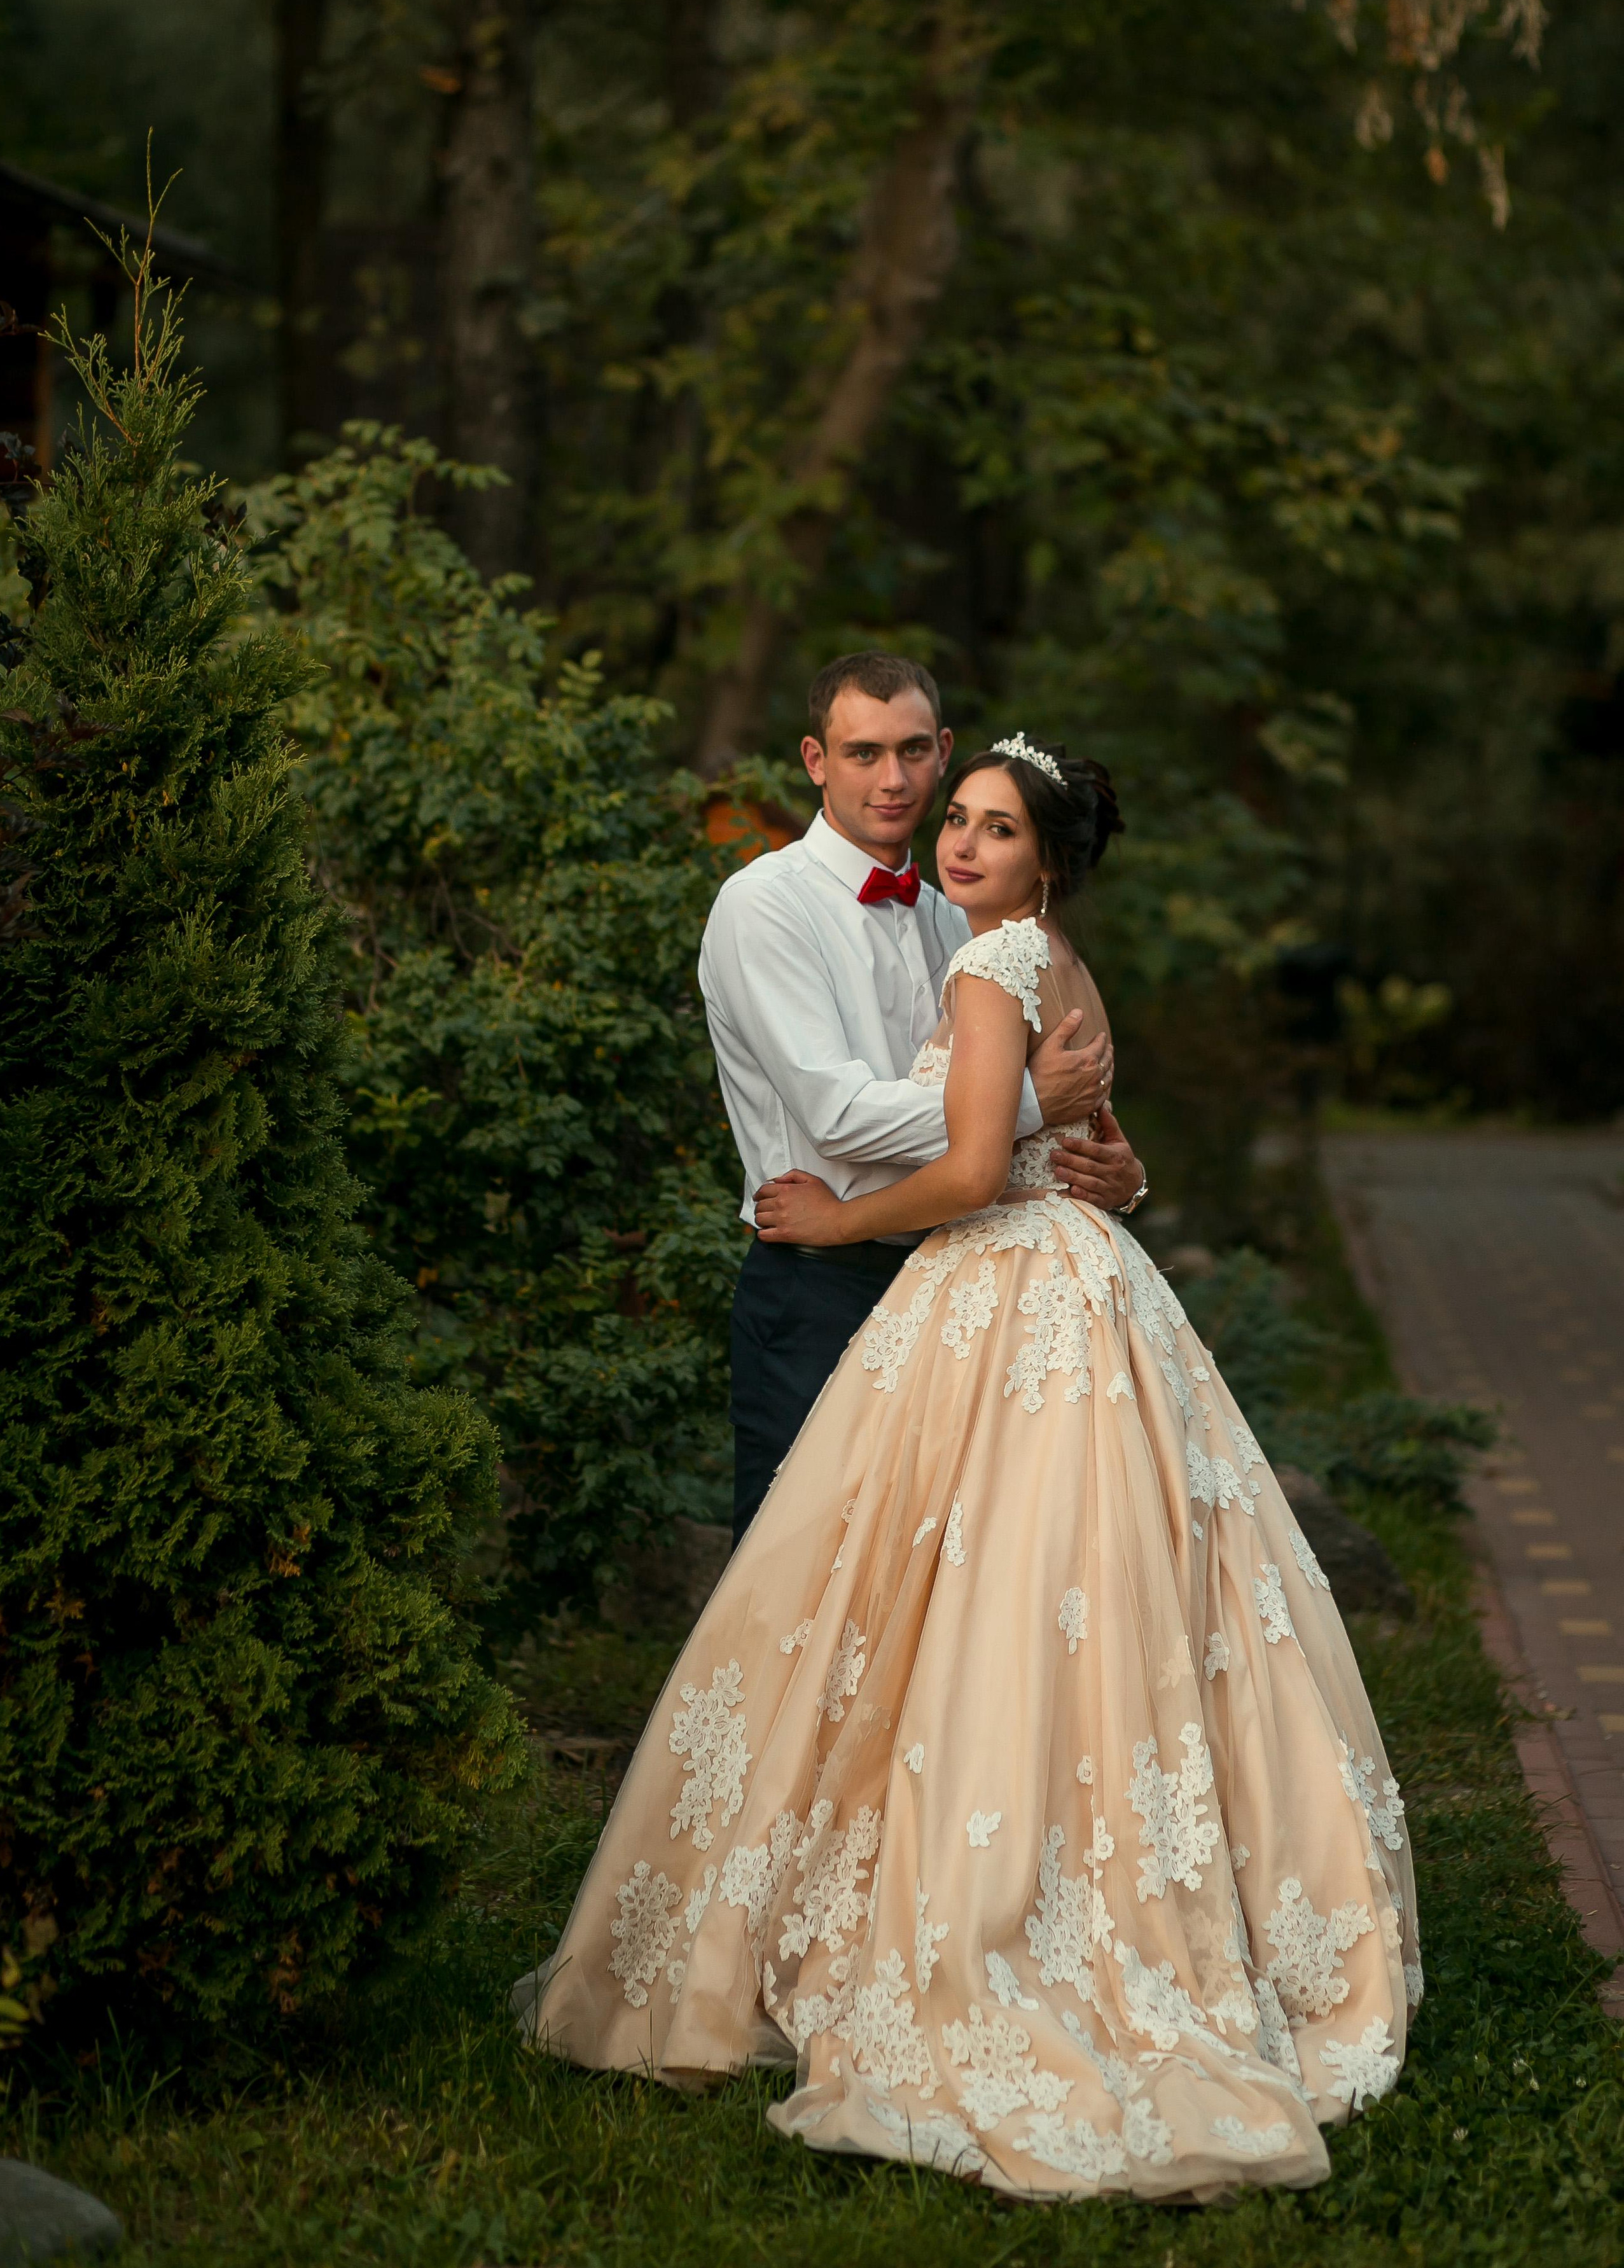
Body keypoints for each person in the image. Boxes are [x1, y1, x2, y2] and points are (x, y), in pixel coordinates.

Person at [518, 727, 1420, 2204]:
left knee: (970, 1594)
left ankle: (975, 1913)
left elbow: (961, 1165)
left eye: (993, 830)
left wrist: (825, 1224)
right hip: (1081, 1280)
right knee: (1064, 1593)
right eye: (958, 821)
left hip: (997, 1280)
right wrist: (1102, 1169)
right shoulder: (1047, 958)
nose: (959, 844)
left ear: (1042, 861)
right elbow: (1084, 1147)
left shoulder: (990, 963)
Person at [698, 651, 1143, 1543]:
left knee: (927, 1584)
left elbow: (1069, 1106)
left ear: (943, 751)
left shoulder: (965, 913)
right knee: (800, 1565)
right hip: (822, 1277)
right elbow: (839, 1114)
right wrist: (1027, 1106)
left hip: (962, 1281)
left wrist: (1119, 1171)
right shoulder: (764, 908)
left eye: (911, 751)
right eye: (862, 754)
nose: (892, 780)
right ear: (816, 761)